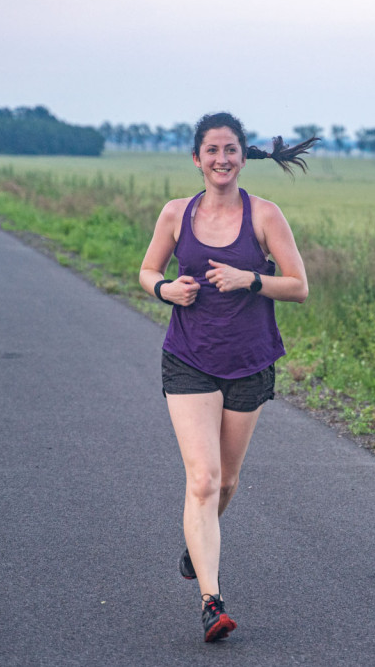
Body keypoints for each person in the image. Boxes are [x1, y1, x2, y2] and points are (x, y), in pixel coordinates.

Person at [139, 112, 318, 642]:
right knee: (204, 479)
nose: (221, 159)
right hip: (189, 357)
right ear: (197, 159)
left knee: (228, 482)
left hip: (249, 361)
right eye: (211, 150)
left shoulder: (265, 215)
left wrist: (250, 279)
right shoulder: (175, 213)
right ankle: (211, 603)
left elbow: (299, 286)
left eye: (230, 150)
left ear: (244, 157)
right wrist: (163, 290)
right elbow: (147, 271)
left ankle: (199, 538)